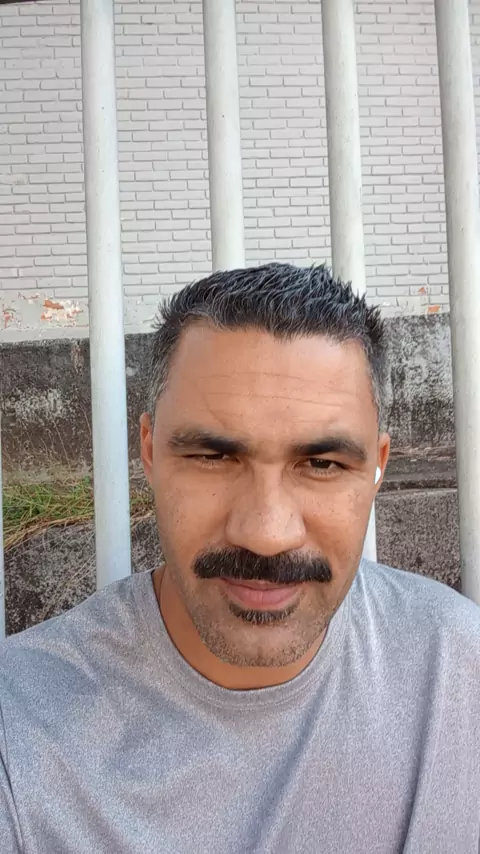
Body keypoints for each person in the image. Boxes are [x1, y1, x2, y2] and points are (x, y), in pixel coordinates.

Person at [1, 263, 479, 854]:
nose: (267, 535)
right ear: (149, 452)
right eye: (213, 457)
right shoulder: (20, 729)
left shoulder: (460, 670)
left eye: (322, 464)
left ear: (377, 466)